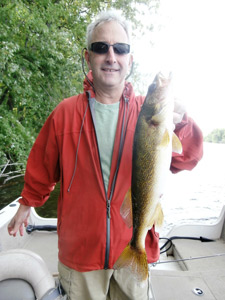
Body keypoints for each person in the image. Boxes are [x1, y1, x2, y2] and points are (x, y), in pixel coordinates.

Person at [7, 10, 203, 300]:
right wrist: (28, 201)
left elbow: (188, 157)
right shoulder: (65, 113)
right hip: (81, 255)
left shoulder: (147, 113)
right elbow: (42, 165)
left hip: (133, 247)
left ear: (130, 60)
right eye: (101, 48)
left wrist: (183, 121)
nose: (111, 56)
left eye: (120, 49)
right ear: (88, 57)